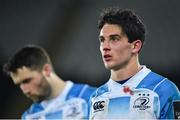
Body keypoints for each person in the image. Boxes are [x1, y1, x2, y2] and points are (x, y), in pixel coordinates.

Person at [89, 7, 180, 119]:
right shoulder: (96, 97)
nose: (105, 47)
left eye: (114, 39)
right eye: (102, 40)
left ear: (135, 46)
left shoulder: (164, 90)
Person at [4, 44, 96, 119]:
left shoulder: (92, 97)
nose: (25, 90)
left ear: (46, 70)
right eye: (19, 84)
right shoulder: (29, 116)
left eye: (27, 81)